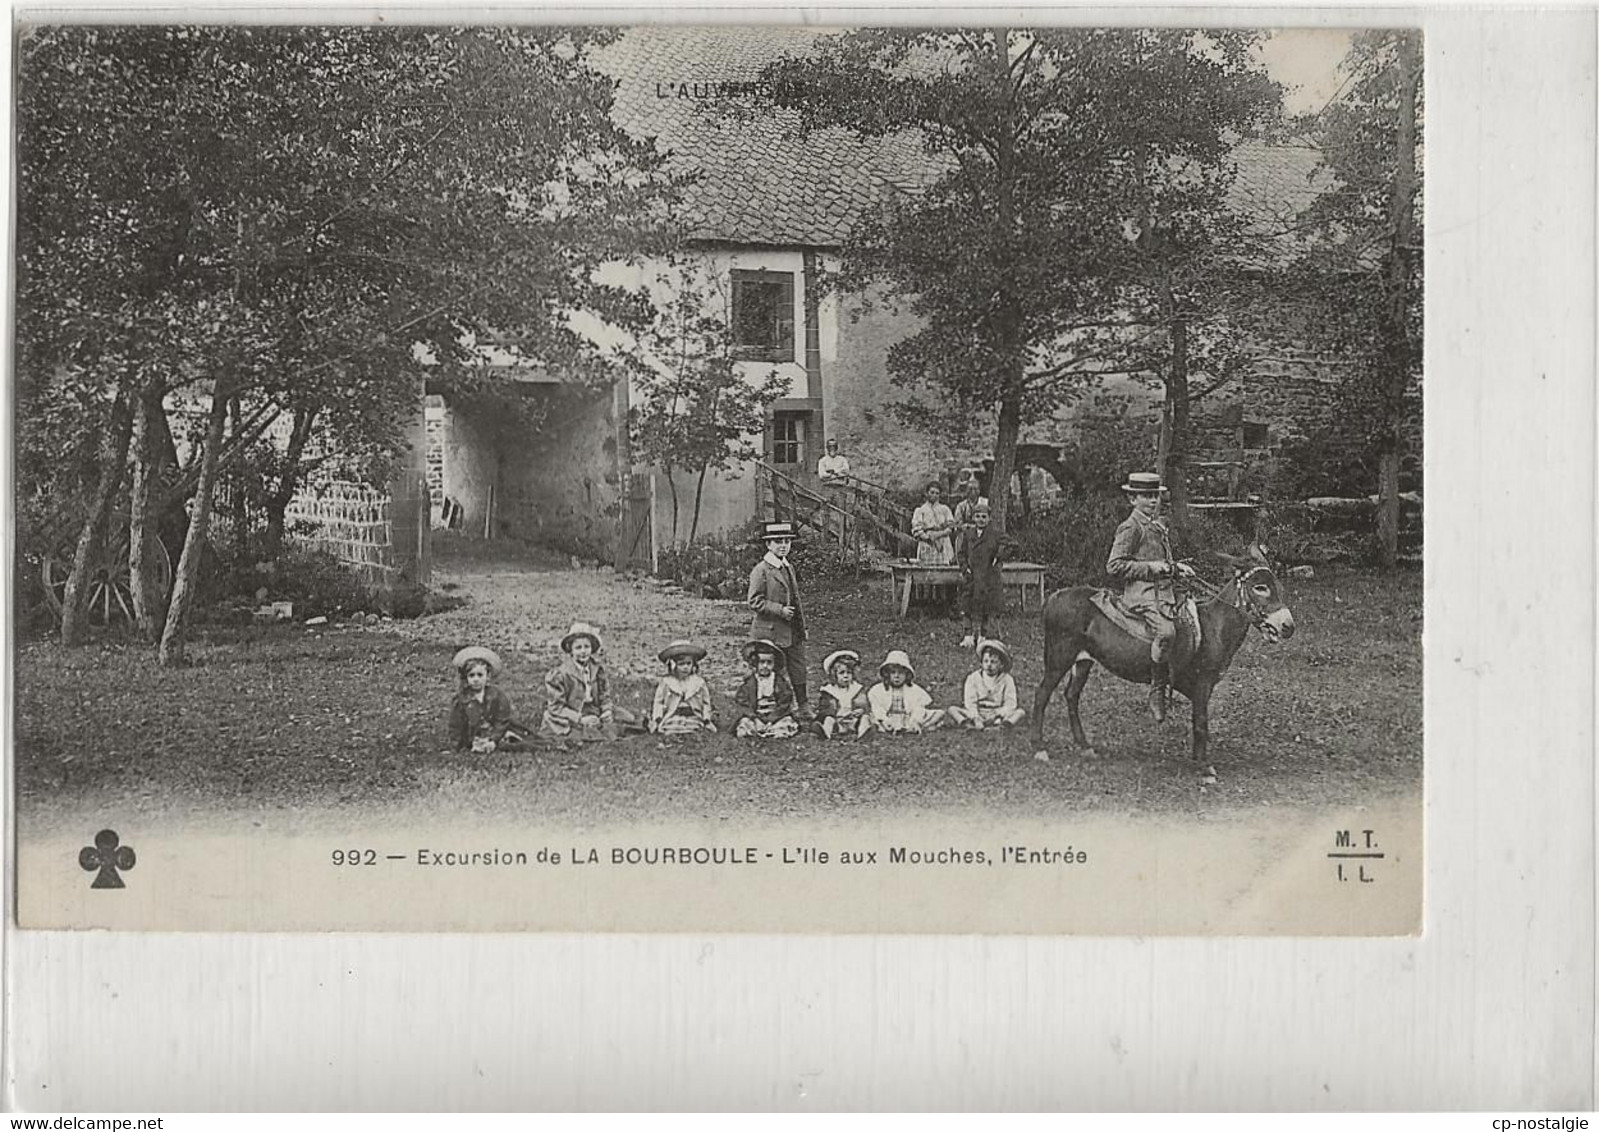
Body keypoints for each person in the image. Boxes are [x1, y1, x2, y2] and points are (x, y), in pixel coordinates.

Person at [1107, 472, 1197, 723]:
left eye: (1154, 496)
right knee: (1167, 632)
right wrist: (1150, 568)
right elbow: (1114, 566)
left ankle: (1179, 683)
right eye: (1145, 496)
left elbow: (1162, 562)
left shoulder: (1155, 524)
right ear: (1132, 499)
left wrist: (1176, 568)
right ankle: (1157, 689)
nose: (1151, 501)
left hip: (1164, 592)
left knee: (1192, 623)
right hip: (1141, 594)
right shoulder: (1130, 527)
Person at [746, 521, 812, 720]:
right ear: (768, 545)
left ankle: (803, 704)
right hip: (771, 630)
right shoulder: (762, 570)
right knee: (776, 669)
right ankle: (779, 706)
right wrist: (779, 610)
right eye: (777, 542)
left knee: (798, 666)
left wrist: (801, 626)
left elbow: (796, 599)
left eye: (786, 542)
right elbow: (754, 601)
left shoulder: (787, 567)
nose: (783, 546)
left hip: (792, 629)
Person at [540, 621, 640, 740]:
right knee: (567, 728)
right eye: (578, 648)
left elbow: (604, 696)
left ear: (592, 648)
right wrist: (579, 719)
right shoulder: (560, 674)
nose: (583, 651)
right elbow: (556, 707)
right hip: (571, 712)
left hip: (593, 709)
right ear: (570, 650)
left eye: (586, 647)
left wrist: (606, 710)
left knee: (627, 719)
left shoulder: (597, 669)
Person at [447, 645, 521, 752]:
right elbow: (455, 726)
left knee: (513, 742)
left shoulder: (497, 695)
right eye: (472, 676)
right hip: (472, 736)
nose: (476, 679)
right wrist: (456, 747)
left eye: (480, 675)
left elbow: (502, 719)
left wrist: (494, 739)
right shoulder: (461, 700)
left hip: (495, 733)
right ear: (466, 678)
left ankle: (501, 742)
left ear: (488, 676)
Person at [947, 640, 1026, 730]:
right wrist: (976, 717)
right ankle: (968, 725)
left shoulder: (1007, 679)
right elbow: (970, 702)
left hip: (997, 712)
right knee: (952, 709)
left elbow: (1010, 703)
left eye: (993, 662)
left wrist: (998, 714)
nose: (989, 665)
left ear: (1001, 664)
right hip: (978, 711)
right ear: (981, 663)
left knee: (1020, 712)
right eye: (986, 661)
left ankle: (1001, 727)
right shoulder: (973, 678)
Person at [957, 500, 1004, 649]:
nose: (981, 520)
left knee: (985, 606)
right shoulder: (968, 534)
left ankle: (983, 635)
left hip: (987, 577)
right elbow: (962, 553)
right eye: (977, 516)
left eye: (984, 517)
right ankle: (968, 635)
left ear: (989, 518)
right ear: (973, 518)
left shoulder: (994, 534)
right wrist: (965, 568)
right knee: (967, 605)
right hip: (971, 576)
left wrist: (998, 556)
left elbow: (1010, 545)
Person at [733, 639, 800, 739]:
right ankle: (758, 730)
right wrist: (755, 718)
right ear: (755, 663)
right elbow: (743, 702)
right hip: (756, 716)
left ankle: (773, 731)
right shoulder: (750, 682)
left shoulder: (779, 682)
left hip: (776, 716)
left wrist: (771, 719)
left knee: (786, 723)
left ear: (774, 664)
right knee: (745, 724)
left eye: (769, 663)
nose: (765, 666)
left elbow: (784, 701)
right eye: (762, 662)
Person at [868, 649, 945, 735]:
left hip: (907, 717)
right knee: (871, 718)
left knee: (939, 713)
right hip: (888, 718)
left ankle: (916, 727)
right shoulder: (878, 690)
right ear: (887, 674)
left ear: (907, 675)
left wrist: (915, 720)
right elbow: (878, 709)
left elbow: (918, 708)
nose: (896, 676)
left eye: (900, 673)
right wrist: (885, 721)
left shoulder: (914, 690)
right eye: (893, 673)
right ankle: (890, 728)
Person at [649, 640, 716, 736]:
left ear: (693, 664)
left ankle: (692, 729)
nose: (685, 667)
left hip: (693, 714)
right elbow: (658, 701)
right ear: (673, 665)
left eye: (688, 664)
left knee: (693, 726)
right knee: (671, 727)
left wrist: (706, 718)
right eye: (681, 664)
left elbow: (706, 702)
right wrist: (658, 717)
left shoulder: (698, 682)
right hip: (673, 714)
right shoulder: (667, 682)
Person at [815, 649, 873, 739]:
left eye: (849, 673)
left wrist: (859, 711)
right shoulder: (829, 691)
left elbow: (864, 704)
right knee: (828, 720)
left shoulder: (856, 688)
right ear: (834, 675)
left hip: (853, 721)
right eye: (842, 673)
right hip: (837, 721)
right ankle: (825, 733)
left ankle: (863, 734)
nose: (846, 676)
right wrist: (834, 714)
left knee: (865, 718)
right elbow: (824, 709)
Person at [911, 482, 956, 565]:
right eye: (932, 492)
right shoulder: (920, 510)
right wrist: (928, 538)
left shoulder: (945, 509)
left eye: (937, 493)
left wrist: (940, 534)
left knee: (944, 568)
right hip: (927, 544)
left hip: (943, 543)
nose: (934, 495)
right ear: (927, 493)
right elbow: (916, 529)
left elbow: (951, 527)